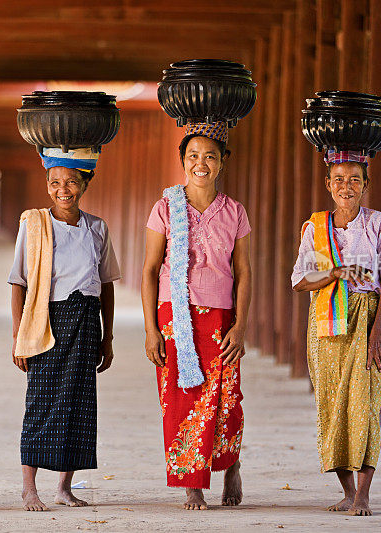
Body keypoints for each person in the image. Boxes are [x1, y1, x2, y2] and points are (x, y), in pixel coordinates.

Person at [141, 121, 252, 510]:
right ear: (182, 160)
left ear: (223, 161)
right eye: (192, 156)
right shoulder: (164, 208)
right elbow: (151, 270)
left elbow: (243, 273)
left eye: (209, 156)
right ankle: (192, 483)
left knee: (226, 398)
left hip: (221, 317)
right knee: (179, 397)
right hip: (176, 316)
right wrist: (151, 328)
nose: (200, 163)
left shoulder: (234, 211)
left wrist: (240, 326)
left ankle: (230, 464)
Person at [291, 150, 381, 516]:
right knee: (332, 403)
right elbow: (300, 281)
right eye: (338, 180)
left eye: (355, 180)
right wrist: (335, 274)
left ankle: (365, 495)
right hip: (325, 323)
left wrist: (375, 336)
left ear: (365, 186)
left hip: (365, 319)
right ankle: (347, 491)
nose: (346, 187)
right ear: (328, 185)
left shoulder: (378, 224)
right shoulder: (316, 229)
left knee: (366, 403)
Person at [9, 146, 120, 511]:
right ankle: (29, 487)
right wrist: (17, 335)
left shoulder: (97, 227)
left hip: (87, 321)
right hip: (46, 319)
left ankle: (64, 488)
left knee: (78, 404)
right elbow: (19, 282)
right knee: (40, 402)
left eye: (72, 181)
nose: (63, 189)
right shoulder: (34, 224)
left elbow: (106, 285)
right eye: (55, 182)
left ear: (86, 183)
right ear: (47, 185)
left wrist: (108, 337)